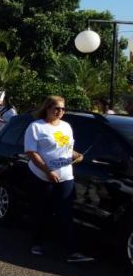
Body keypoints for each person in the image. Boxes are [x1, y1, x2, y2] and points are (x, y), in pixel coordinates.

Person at [24, 96, 93, 263]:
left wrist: (76, 155)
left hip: (65, 175)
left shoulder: (66, 127)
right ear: (47, 108)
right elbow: (31, 153)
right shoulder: (36, 127)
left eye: (63, 109)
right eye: (56, 108)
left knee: (66, 212)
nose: (60, 112)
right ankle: (37, 243)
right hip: (42, 176)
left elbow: (67, 148)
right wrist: (47, 171)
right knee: (42, 211)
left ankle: (71, 251)